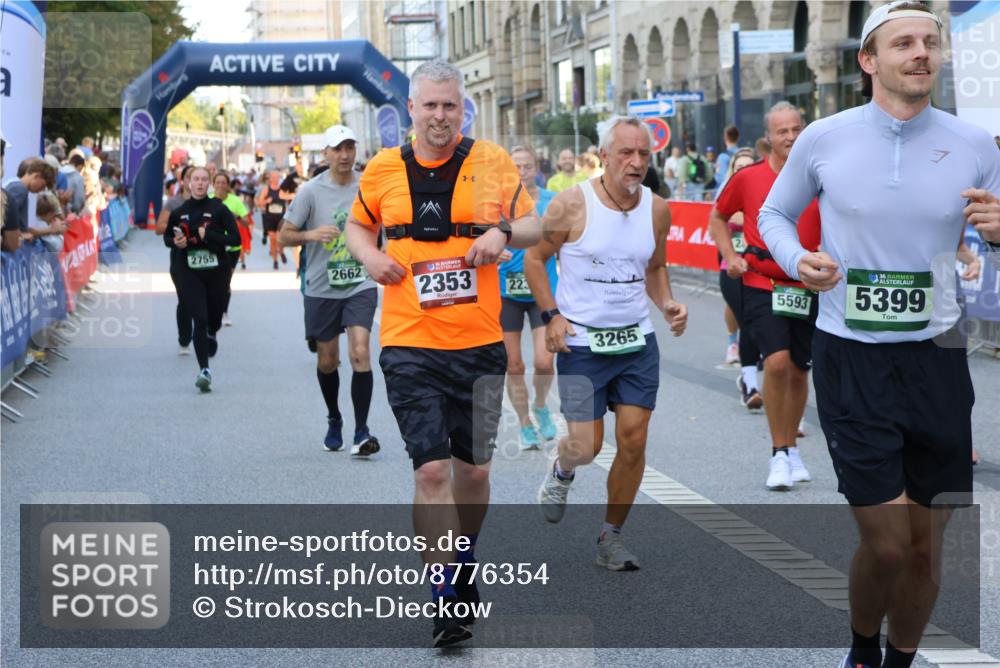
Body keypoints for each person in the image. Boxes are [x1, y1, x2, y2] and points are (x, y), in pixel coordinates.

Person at [757, 3, 1000, 666]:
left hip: (940, 359)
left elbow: (995, 234)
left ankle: (899, 659)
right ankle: (863, 649)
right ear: (869, 60)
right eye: (904, 43)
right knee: (889, 540)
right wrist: (796, 260)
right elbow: (774, 215)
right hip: (852, 355)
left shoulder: (975, 145)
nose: (921, 52)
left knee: (926, 543)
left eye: (931, 41)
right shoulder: (826, 138)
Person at [345, 59, 539, 647]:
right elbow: (357, 227)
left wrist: (502, 232)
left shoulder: (493, 162)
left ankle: (464, 555)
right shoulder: (382, 169)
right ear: (411, 108)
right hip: (409, 343)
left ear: (462, 108)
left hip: (479, 341)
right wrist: (369, 257)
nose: (439, 115)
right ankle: (446, 593)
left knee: (474, 471)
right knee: (431, 469)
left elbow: (536, 225)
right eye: (429, 105)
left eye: (449, 106)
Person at [527, 115, 688, 571]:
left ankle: (610, 538)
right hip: (582, 343)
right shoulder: (571, 205)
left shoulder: (657, 209)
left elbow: (655, 267)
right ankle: (562, 472)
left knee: (634, 441)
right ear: (603, 157)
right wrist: (552, 317)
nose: (636, 163)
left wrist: (669, 303)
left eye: (643, 154)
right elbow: (535, 261)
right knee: (586, 445)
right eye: (626, 153)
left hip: (636, 340)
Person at [710, 102, 821, 491]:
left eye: (796, 129)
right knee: (774, 364)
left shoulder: (819, 176)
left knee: (797, 370)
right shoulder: (749, 178)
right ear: (767, 139)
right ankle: (778, 452)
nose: (790, 137)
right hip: (762, 282)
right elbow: (718, 217)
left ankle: (792, 450)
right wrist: (731, 256)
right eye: (782, 131)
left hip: (807, 285)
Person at [279, 125, 381, 458]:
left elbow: (389, 223)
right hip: (322, 286)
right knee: (328, 359)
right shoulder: (310, 191)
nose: (344, 155)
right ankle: (334, 417)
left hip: (359, 283)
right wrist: (310, 236)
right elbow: (284, 235)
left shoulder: (368, 185)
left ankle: (361, 430)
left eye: (350, 147)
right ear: (325, 153)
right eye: (337, 149)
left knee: (361, 351)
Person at [497, 145, 559, 450]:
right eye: (516, 167)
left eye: (527, 166)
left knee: (545, 360)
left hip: (542, 288)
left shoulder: (551, 201)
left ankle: (541, 404)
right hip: (505, 290)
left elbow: (566, 244)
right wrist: (493, 250)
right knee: (514, 364)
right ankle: (524, 425)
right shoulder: (498, 203)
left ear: (537, 168)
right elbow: (480, 236)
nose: (522, 172)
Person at [163, 166, 240, 392]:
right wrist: (175, 242)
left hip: (217, 271)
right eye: (195, 179)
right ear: (189, 182)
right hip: (188, 271)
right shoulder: (180, 211)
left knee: (213, 318)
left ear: (209, 184)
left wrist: (211, 236)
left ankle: (213, 331)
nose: (199, 183)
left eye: (203, 180)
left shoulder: (219, 209)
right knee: (200, 317)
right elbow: (167, 237)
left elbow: (235, 238)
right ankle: (204, 370)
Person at [713, 148, 764, 401]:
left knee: (756, 324)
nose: (743, 170)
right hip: (731, 271)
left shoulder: (765, 195)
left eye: (748, 165)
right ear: (732, 170)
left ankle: (748, 376)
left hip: (760, 271)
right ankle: (751, 385)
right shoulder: (725, 199)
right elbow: (716, 227)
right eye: (738, 166)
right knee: (746, 320)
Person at [157, 165, 196, 355]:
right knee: (185, 299)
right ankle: (185, 339)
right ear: (183, 181)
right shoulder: (174, 203)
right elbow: (159, 228)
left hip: (204, 258)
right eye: (190, 177)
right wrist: (176, 233)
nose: (195, 181)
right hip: (180, 257)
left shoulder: (210, 204)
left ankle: (203, 334)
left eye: (199, 178)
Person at [212, 171, 248, 326]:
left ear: (227, 185)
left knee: (225, 281)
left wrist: (237, 217)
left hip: (232, 248)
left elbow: (246, 222)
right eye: (217, 182)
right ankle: (213, 310)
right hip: (214, 246)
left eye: (223, 183)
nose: (220, 185)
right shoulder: (209, 201)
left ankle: (224, 312)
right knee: (214, 280)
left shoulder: (235, 200)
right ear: (213, 185)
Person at [3, 158, 56, 253]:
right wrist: (21, 235)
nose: (42, 190)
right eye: (43, 186)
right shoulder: (19, 189)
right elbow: (5, 216)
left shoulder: (14, 184)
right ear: (37, 176)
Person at [255, 170, 286, 269]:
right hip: (268, 215)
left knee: (279, 239)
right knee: (273, 239)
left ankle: (281, 252)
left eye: (277, 177)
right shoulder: (264, 189)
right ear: (269, 179)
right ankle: (275, 260)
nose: (274, 179)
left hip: (280, 217)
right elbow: (258, 202)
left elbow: (289, 199)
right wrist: (265, 202)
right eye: (272, 177)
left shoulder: (282, 189)